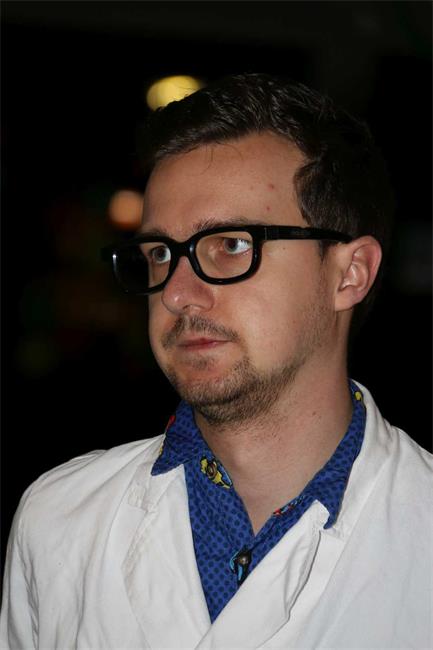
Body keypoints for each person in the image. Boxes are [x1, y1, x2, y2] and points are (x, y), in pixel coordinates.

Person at [1, 73, 431, 650]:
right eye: (160, 253)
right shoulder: (58, 521)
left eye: (230, 245)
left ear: (348, 274)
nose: (177, 294)